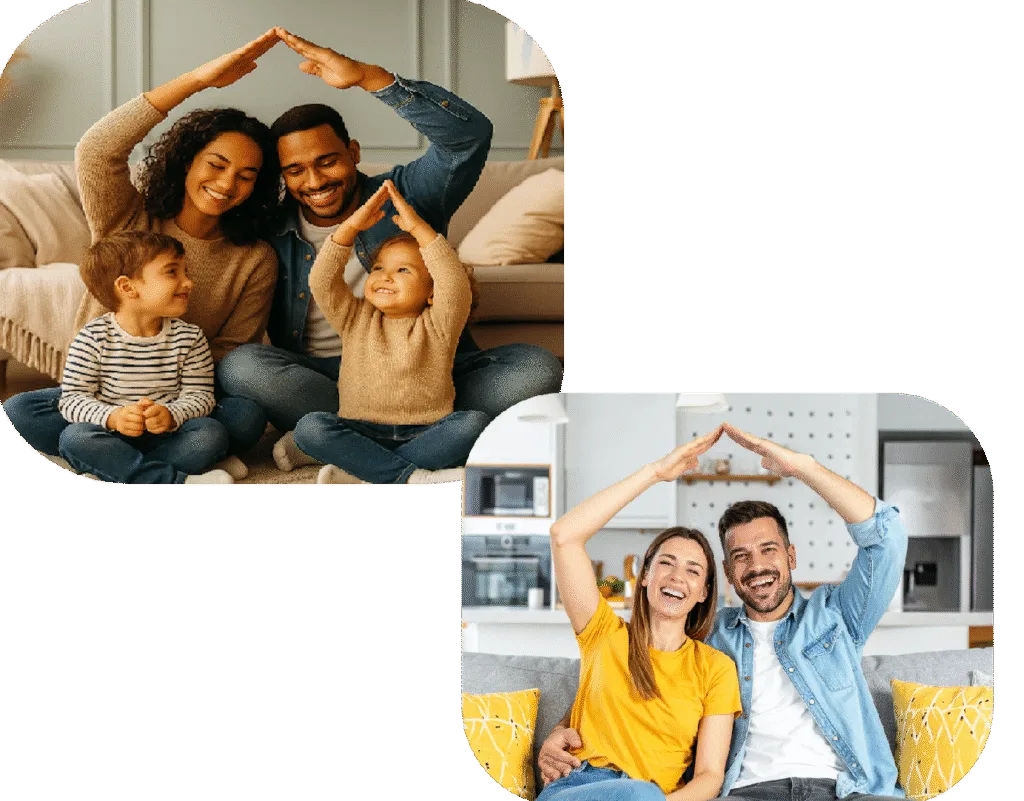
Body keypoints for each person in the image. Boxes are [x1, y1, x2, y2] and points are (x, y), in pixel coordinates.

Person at [214, 28, 564, 474]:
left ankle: (340, 446)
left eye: (327, 161)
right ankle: (388, 442)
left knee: (536, 368)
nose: (315, 181)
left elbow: (468, 136)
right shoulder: (270, 224)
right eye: (296, 171)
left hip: (428, 370)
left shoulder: (403, 194)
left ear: (353, 152)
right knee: (243, 367)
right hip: (330, 378)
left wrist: (368, 77)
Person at [538, 423, 909, 801]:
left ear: (791, 556)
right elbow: (620, 683)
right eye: (740, 556)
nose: (757, 565)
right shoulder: (713, 638)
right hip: (748, 793)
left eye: (769, 549)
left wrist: (805, 468)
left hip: (848, 791)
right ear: (728, 575)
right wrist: (560, 729)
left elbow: (888, 537)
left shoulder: (838, 617)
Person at [2, 30, 283, 476]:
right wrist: (197, 80)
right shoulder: (129, 221)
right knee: (20, 411)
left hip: (180, 402)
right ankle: (172, 467)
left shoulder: (254, 258)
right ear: (188, 160)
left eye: (247, 176)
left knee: (244, 418)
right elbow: (96, 150)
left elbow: (231, 351)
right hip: (103, 398)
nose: (228, 183)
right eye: (216, 164)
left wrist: (165, 404)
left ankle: (116, 460)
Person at [536, 425, 742, 801]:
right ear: (645, 576)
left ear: (703, 593)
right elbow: (565, 535)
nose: (677, 576)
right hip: (582, 786)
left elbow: (710, 777)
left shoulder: (715, 669)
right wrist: (656, 473)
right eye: (666, 563)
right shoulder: (602, 633)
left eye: (693, 570)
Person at [291, 180, 489, 484]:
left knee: (473, 424)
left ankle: (365, 470)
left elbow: (453, 282)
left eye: (403, 270)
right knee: (310, 428)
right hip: (358, 428)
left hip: (426, 431)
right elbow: (321, 280)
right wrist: (350, 227)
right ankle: (409, 475)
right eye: (379, 268)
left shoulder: (440, 323)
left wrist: (419, 229)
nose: (385, 277)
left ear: (432, 292)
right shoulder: (355, 317)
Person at [56, 231, 234, 485]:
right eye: (172, 272)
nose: (188, 282)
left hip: (169, 435)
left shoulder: (190, 337)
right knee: (75, 438)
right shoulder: (92, 338)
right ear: (128, 287)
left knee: (210, 434)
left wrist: (171, 414)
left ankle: (116, 471)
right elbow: (72, 400)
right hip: (113, 435)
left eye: (186, 272)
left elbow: (201, 396)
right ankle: (179, 481)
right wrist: (114, 417)